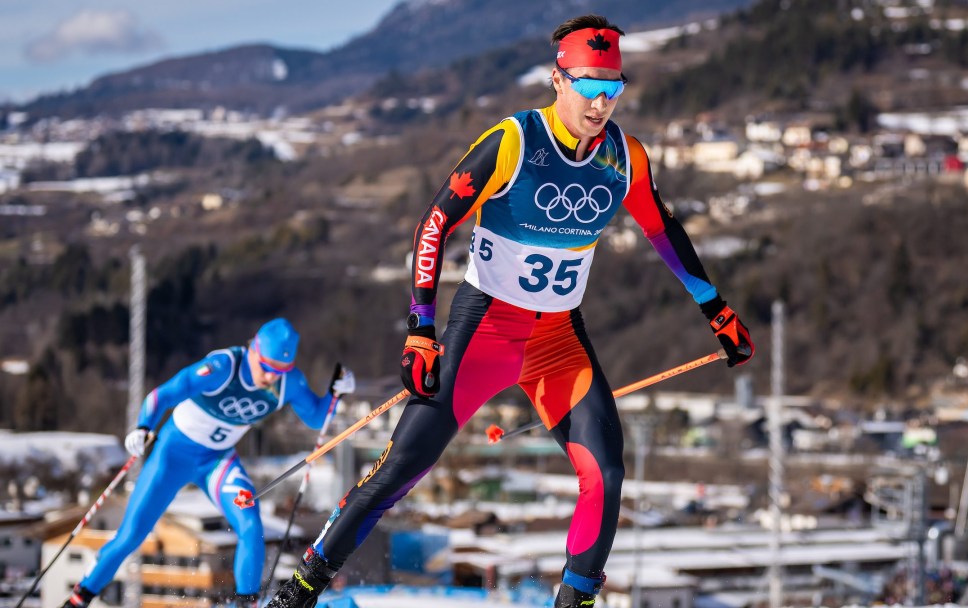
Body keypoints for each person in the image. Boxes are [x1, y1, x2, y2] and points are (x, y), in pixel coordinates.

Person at [267, 14, 754, 608]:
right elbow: (434, 223)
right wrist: (421, 327)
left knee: (607, 475)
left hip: (559, 341)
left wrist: (717, 311)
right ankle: (302, 588)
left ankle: (574, 601)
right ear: (558, 80)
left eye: (614, 88)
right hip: (485, 330)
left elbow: (664, 232)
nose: (602, 103)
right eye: (589, 87)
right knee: (400, 469)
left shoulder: (626, 157)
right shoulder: (514, 141)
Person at [60, 318, 356, 608]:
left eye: (279, 371)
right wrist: (143, 426)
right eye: (265, 367)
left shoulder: (287, 382)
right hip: (172, 455)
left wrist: (335, 393)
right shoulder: (223, 368)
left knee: (251, 526)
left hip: (217, 461)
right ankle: (79, 598)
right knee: (131, 535)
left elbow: (317, 417)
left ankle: (246, 604)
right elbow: (162, 395)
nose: (270, 377)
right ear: (253, 349)